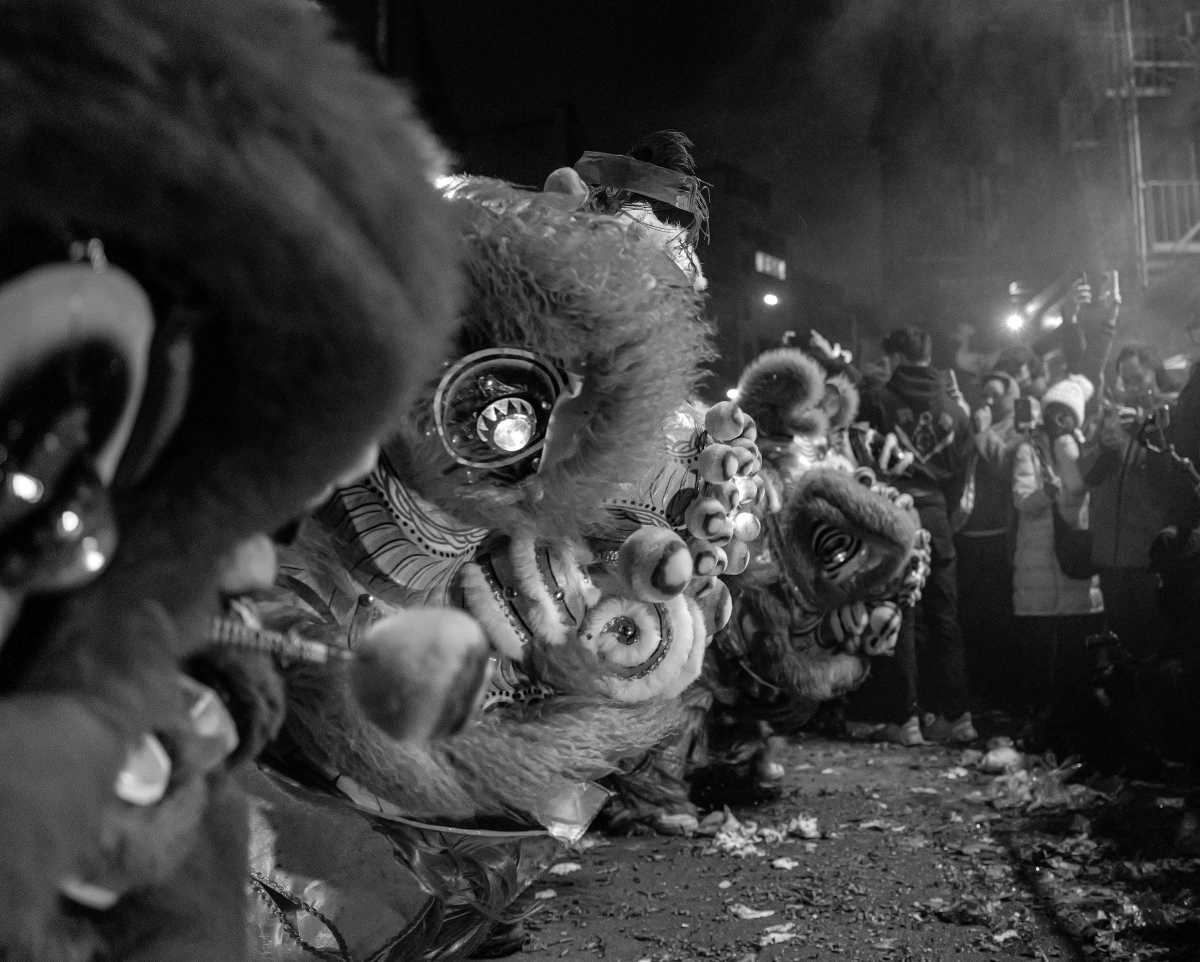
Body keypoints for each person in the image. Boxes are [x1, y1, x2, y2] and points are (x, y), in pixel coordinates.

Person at [859, 326, 976, 745]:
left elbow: (863, 457)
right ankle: (958, 717)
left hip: (896, 510)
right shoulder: (956, 410)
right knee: (945, 614)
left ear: (894, 356)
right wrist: (946, 510)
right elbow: (964, 470)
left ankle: (904, 718)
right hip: (938, 513)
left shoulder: (877, 401)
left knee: (899, 613)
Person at [1011, 375, 1104, 725]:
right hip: (1037, 562)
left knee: (1074, 655)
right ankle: (1040, 723)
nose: (1058, 420)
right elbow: (1022, 500)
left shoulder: (1079, 449)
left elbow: (1084, 495)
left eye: (1066, 414)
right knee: (1039, 654)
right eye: (1054, 412)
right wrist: (1046, 493)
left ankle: (1074, 725)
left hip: (1074, 563)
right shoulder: (1028, 449)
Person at [1080, 345, 1173, 658]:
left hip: (1150, 555)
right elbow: (1088, 476)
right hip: (1110, 555)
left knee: (1156, 644)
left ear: (1153, 373)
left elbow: (1168, 480)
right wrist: (1106, 446)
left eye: (1137, 378)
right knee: (1121, 647)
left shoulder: (1167, 416)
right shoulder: (1110, 417)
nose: (1131, 387)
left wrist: (1143, 435)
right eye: (1125, 380)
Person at [955, 370, 1022, 708]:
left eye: (996, 394)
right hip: (968, 533)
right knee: (973, 618)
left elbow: (1005, 467)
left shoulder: (1017, 429)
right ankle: (977, 688)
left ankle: (1002, 691)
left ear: (1013, 394)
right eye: (985, 395)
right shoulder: (979, 423)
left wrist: (982, 431)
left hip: (998, 537)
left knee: (998, 618)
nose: (990, 401)